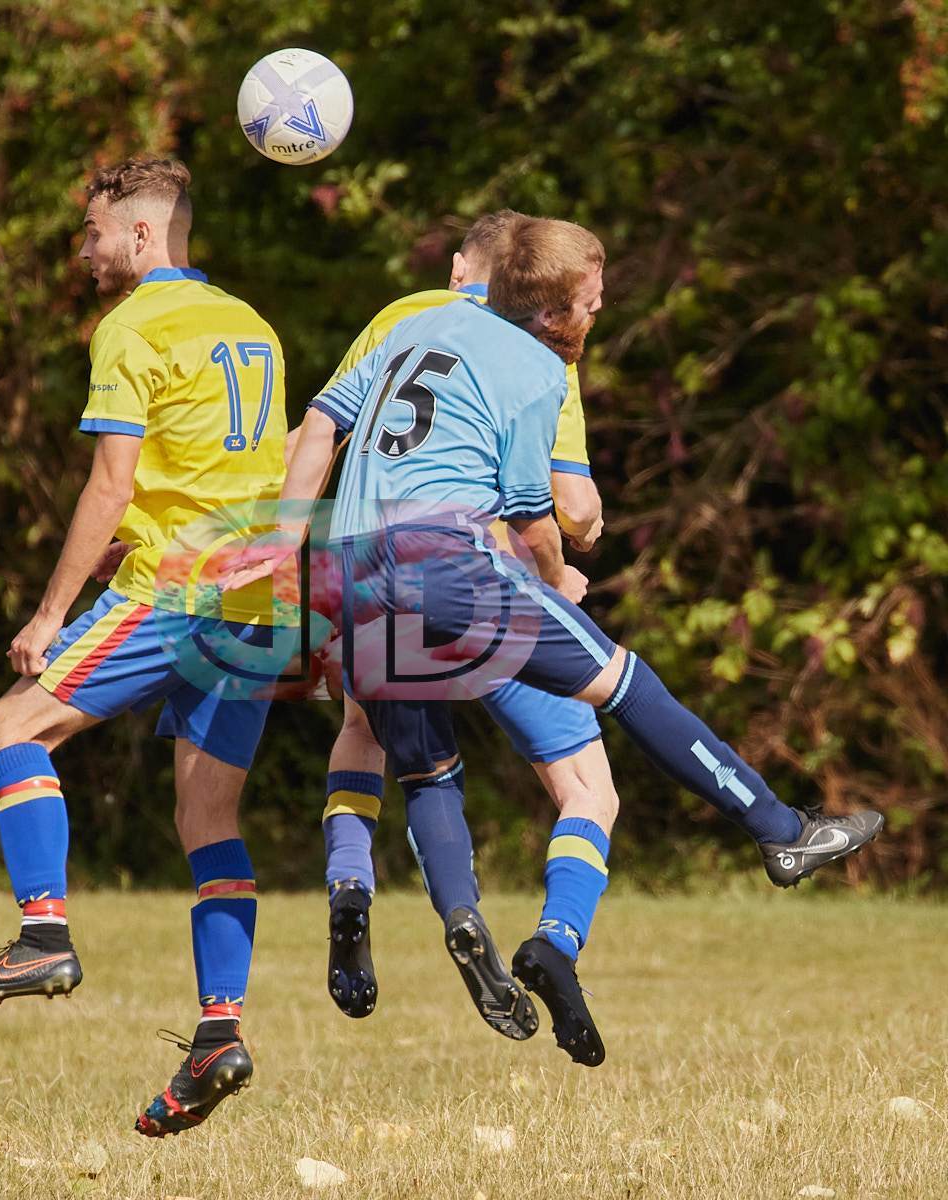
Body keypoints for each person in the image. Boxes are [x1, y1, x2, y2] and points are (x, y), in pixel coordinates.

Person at [226, 213, 883, 1068]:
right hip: (444, 561)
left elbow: (320, 425)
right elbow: (537, 516)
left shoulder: (415, 325)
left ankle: (447, 913)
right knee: (626, 683)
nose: (598, 314)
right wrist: (552, 580)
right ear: (549, 310)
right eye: (591, 302)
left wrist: (283, 546)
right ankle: (779, 830)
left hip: (349, 569)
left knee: (424, 769)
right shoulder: (538, 368)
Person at [0, 157, 292, 1137]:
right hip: (264, 594)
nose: (82, 251)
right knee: (207, 815)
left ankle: (42, 932)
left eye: (92, 233)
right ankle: (219, 1033)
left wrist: (52, 613)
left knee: (10, 728)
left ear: (141, 234)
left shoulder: (131, 328)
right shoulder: (250, 324)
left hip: (179, 588)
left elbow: (108, 485)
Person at [307, 212, 618, 1049]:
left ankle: (351, 887)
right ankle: (557, 939)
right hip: (491, 589)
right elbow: (569, 502)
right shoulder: (542, 347)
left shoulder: (399, 320)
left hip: (374, 572)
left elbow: (322, 432)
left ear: (457, 268)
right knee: (587, 788)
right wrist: (577, 542)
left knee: (366, 733)